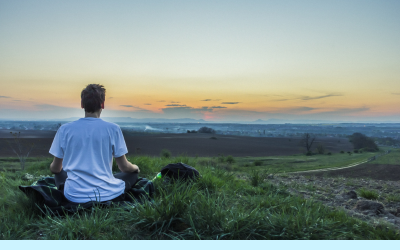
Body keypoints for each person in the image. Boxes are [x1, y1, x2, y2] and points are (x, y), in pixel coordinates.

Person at [49, 84, 139, 203]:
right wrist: (136, 168)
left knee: (60, 173)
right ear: (102, 104)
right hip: (107, 194)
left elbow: (55, 169)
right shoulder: (113, 129)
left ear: (82, 105)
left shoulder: (65, 129)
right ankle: (107, 183)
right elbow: (124, 167)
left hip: (74, 196)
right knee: (132, 174)